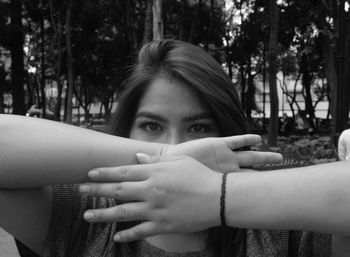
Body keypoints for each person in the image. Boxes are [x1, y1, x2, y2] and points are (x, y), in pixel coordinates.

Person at [0, 40, 350, 257]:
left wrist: (218, 196)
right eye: (152, 127)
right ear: (126, 131)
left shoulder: (284, 232)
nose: (177, 146)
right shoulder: (84, 219)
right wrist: (164, 162)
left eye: (198, 128)